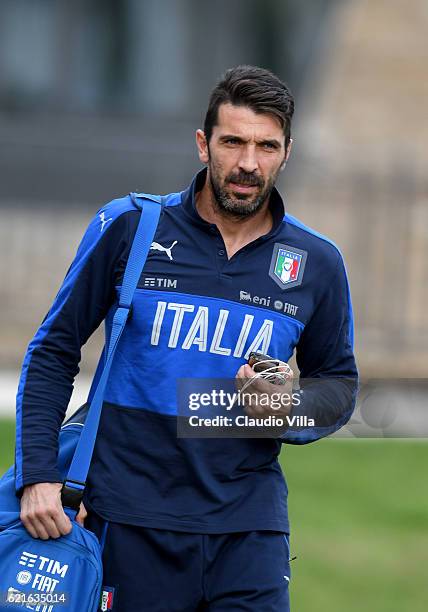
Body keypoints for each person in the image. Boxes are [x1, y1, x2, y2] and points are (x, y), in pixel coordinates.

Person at [16, 65, 358, 611]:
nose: (248, 164)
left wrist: (285, 407)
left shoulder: (316, 263)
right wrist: (38, 476)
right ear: (204, 144)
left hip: (249, 527)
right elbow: (53, 351)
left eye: (266, 146)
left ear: (286, 152)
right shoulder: (131, 226)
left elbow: (339, 385)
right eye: (233, 142)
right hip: (127, 520)